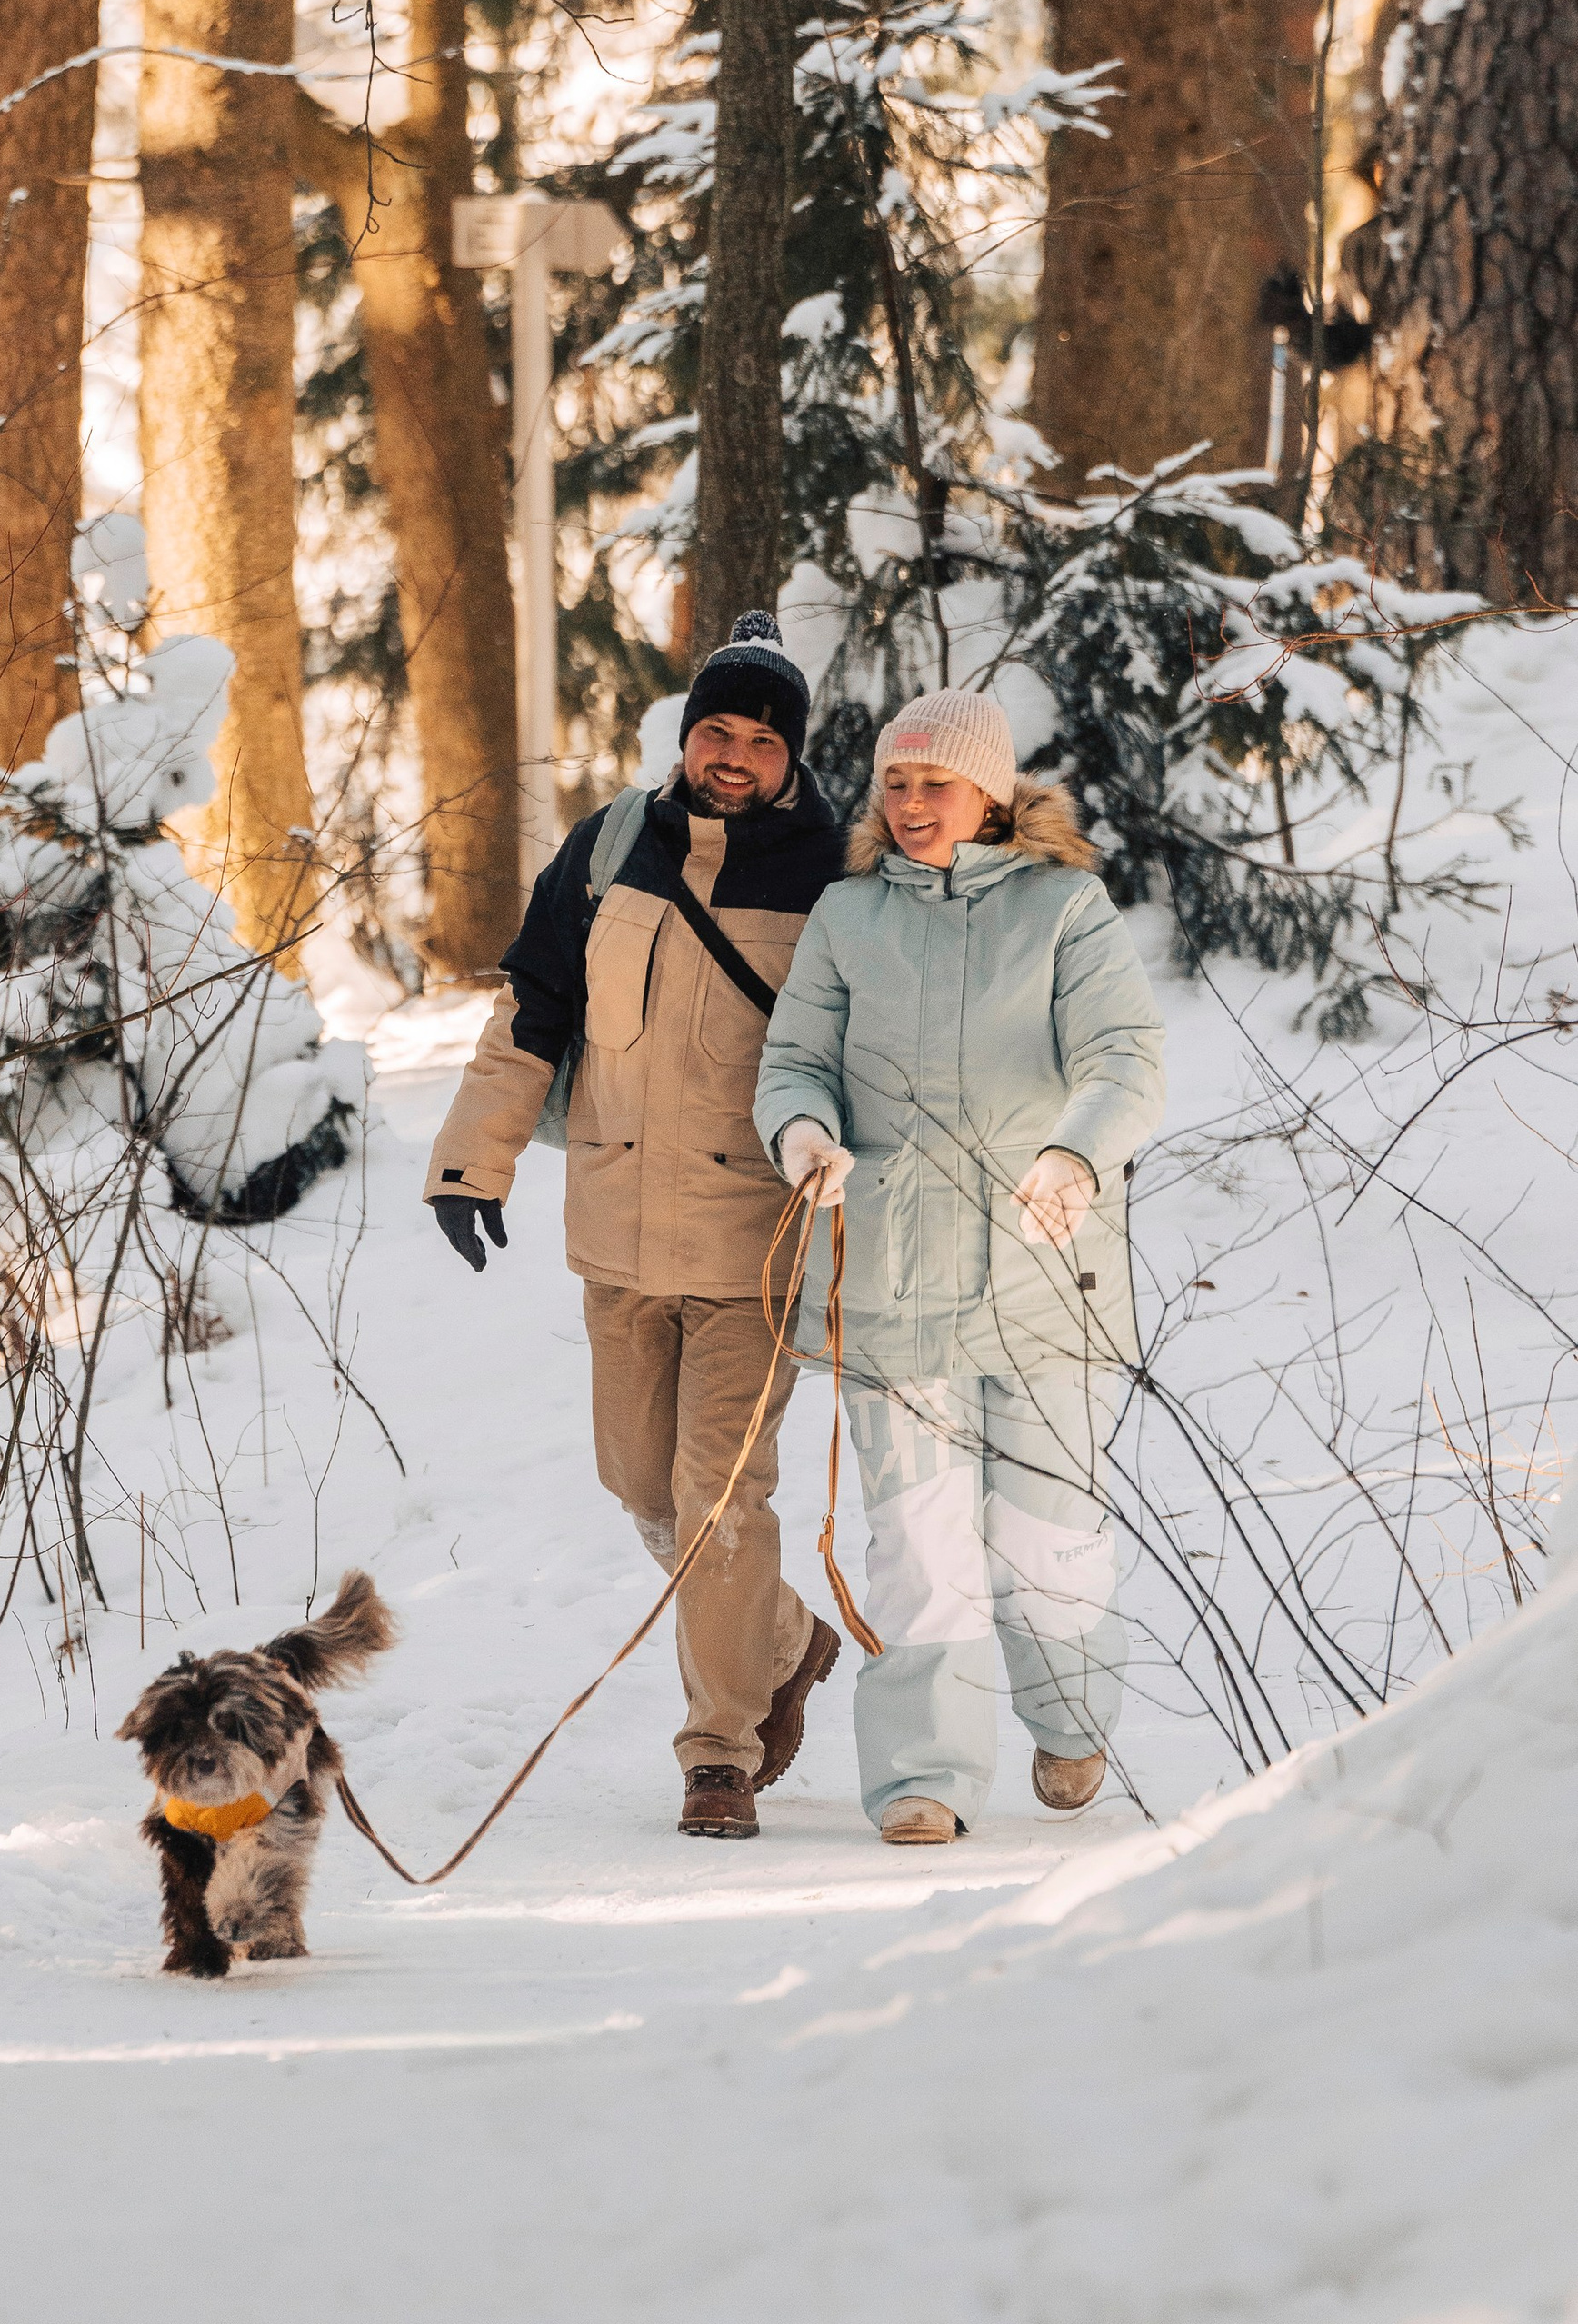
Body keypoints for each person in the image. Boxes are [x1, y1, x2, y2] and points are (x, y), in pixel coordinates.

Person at [424, 615, 850, 1839]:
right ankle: (785, 1636)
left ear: (791, 757)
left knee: (719, 1497)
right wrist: (472, 1162)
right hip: (617, 1230)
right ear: (686, 733)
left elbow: (871, 1051)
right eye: (716, 729)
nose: (733, 754)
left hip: (751, 1242)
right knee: (640, 1482)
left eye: (760, 740)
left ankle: (719, 1750)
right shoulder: (615, 843)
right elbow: (532, 1012)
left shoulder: (833, 871)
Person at [752, 687, 1164, 1846]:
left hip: (1045, 1276)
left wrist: (1075, 1151)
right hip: (891, 1277)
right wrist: (802, 1132)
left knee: (1044, 1532)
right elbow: (793, 1062)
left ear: (991, 792)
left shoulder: (1065, 909)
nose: (912, 801)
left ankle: (1070, 1718)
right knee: (921, 1538)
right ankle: (924, 1775)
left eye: (936, 782)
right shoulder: (847, 915)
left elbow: (1124, 1056)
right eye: (894, 781)